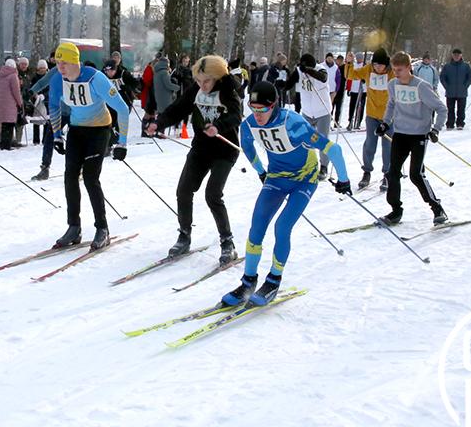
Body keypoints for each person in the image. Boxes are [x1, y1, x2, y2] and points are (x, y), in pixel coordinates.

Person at [222, 80, 351, 307]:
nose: (257, 114)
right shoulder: (249, 125)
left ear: (275, 105)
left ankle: (273, 280)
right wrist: (261, 171)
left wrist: (343, 179)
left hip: (305, 180)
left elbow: (333, 149)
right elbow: (249, 148)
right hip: (277, 178)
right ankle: (248, 281)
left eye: (263, 109)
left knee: (282, 227)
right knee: (257, 225)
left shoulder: (294, 124)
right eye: (253, 108)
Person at [145, 55, 243, 264]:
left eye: (206, 81)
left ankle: (227, 242)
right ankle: (184, 235)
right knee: (183, 190)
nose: (202, 85)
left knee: (213, 195)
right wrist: (158, 123)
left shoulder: (228, 91)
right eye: (198, 81)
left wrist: (219, 126)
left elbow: (236, 116)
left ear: (217, 77)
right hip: (201, 148)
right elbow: (178, 108)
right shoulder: (196, 90)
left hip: (225, 150)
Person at [49, 42, 130, 250]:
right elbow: (54, 105)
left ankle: (102, 228)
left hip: (99, 130)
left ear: (75, 61)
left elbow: (121, 108)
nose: (61, 68)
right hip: (77, 131)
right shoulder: (58, 79)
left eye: (64, 63)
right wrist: (57, 135)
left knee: (91, 178)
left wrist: (122, 142)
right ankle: (74, 227)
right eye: (58, 63)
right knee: (69, 177)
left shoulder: (95, 78)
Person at [377, 51, 448, 225]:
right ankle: (395, 211)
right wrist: (385, 123)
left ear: (409, 68)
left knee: (416, 174)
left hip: (418, 136)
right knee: (392, 172)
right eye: (394, 70)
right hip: (400, 133)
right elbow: (392, 103)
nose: (396, 73)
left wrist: (436, 129)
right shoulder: (393, 84)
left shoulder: (421, 86)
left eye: (400, 70)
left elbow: (441, 109)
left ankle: (437, 209)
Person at [345, 48, 394, 190]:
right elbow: (351, 75)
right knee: (370, 144)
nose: (377, 67)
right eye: (375, 65)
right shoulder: (368, 70)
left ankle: (387, 174)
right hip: (372, 114)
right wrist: (349, 63)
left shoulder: (392, 73)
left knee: (388, 146)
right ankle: (366, 172)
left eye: (380, 65)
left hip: (388, 117)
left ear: (386, 65)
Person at [283, 54, 333, 180]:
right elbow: (289, 84)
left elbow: (323, 78)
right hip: (307, 111)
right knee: (305, 139)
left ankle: (324, 166)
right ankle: (306, 164)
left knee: (322, 139)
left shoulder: (321, 68)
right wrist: (281, 85)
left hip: (323, 111)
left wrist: (309, 70)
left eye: (308, 67)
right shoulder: (299, 71)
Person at [438, 48, 471, 130]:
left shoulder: (466, 66)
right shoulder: (447, 66)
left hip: (462, 92)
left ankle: (460, 123)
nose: (456, 57)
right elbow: (442, 77)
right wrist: (447, 86)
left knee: (461, 109)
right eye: (455, 55)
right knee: (450, 109)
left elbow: (470, 77)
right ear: (452, 56)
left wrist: (465, 86)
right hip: (450, 92)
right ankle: (450, 124)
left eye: (458, 55)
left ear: (461, 56)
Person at [0, 59, 22, 150]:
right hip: (10, 103)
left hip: (1, 103)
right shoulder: (13, 76)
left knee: (4, 125)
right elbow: (16, 92)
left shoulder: (1, 75)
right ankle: (7, 145)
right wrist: (20, 102)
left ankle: (3, 143)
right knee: (10, 125)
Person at [346, 52, 366, 129]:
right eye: (357, 58)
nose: (359, 59)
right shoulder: (353, 65)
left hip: (362, 90)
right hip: (354, 89)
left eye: (360, 58)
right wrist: (349, 88)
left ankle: (358, 122)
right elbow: (349, 76)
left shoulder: (365, 66)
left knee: (360, 107)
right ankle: (350, 121)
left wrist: (364, 80)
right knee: (352, 106)